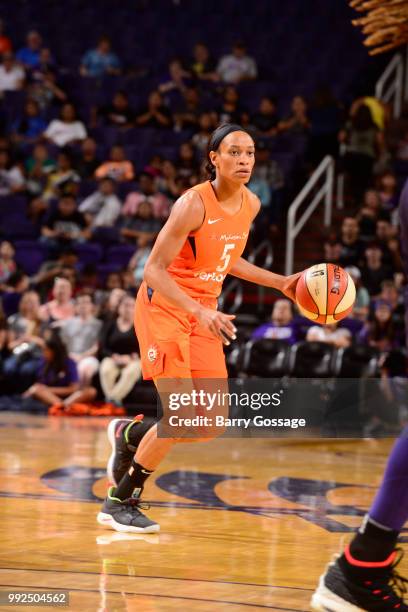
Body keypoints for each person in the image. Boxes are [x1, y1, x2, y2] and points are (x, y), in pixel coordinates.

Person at [96, 123, 301, 533]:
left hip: (204, 312)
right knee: (180, 414)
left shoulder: (251, 204)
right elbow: (152, 271)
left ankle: (131, 433)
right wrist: (198, 309)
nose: (244, 160)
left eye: (250, 153)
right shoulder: (192, 204)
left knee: (208, 423)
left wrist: (280, 282)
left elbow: (227, 260)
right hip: (166, 308)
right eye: (234, 153)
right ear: (214, 158)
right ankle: (121, 500)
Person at [98, 294, 141, 407]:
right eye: (126, 305)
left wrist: (132, 357)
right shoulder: (110, 324)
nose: (128, 309)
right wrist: (114, 356)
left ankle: (111, 400)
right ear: (119, 307)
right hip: (113, 357)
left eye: (132, 305)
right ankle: (114, 402)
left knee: (130, 372)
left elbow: (146, 346)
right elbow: (102, 347)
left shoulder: (140, 324)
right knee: (106, 369)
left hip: (133, 359)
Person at [60, 292, 102, 385]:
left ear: (92, 306)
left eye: (86, 302)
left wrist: (81, 356)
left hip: (88, 357)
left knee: (84, 371)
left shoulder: (99, 324)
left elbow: (97, 347)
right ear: (76, 306)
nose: (83, 306)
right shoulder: (68, 323)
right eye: (80, 303)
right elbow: (63, 344)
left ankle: (83, 397)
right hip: (69, 356)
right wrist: (69, 356)